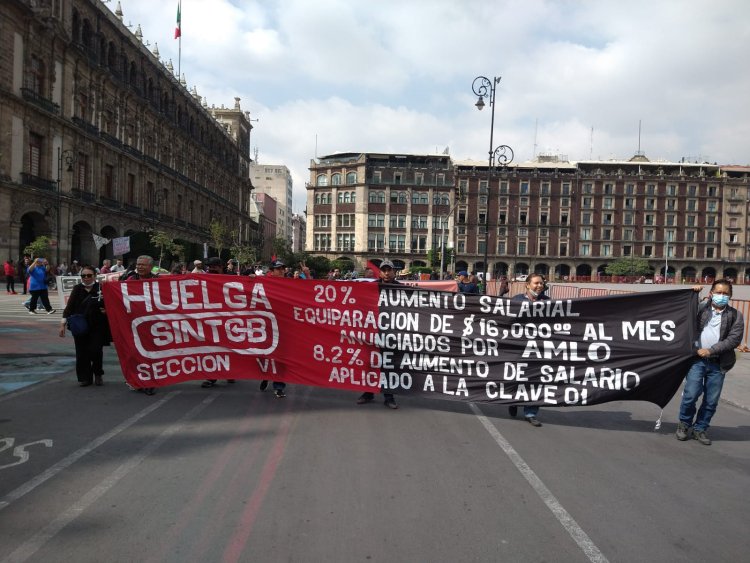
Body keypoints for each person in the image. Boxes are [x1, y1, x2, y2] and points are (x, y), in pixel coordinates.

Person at [676, 280, 744, 445]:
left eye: (725, 293)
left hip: (718, 363)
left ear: (730, 296)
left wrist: (711, 350)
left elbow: (733, 340)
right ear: (711, 293)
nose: (721, 296)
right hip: (697, 361)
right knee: (691, 394)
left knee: (711, 400)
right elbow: (686, 312)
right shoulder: (702, 309)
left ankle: (700, 428)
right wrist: (694, 295)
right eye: (718, 292)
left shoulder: (735, 315)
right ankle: (684, 424)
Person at [357, 260, 399, 409]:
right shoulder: (372, 287)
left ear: (394, 272)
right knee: (371, 364)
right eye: (384, 270)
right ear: (380, 272)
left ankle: (389, 397)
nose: (386, 273)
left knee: (388, 366)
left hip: (392, 334)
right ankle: (368, 393)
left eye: (389, 270)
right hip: (373, 333)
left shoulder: (402, 289)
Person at [59, 265, 111, 387]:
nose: (86, 278)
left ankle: (98, 373)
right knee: (82, 352)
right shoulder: (77, 289)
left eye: (89, 275)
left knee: (96, 350)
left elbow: (111, 304)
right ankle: (85, 378)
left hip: (97, 325)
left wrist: (106, 310)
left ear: (95, 276)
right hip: (80, 326)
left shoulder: (101, 288)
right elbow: (69, 308)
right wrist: (62, 324)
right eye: (83, 276)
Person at [508, 273, 548, 426]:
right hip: (518, 348)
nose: (539, 286)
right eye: (536, 283)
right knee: (515, 378)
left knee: (535, 380)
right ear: (527, 285)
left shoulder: (548, 302)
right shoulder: (517, 300)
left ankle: (531, 413)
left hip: (538, 349)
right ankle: (513, 401)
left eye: (541, 283)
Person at [120, 255, 158, 395]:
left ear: (150, 267)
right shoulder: (130, 280)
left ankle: (149, 381)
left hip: (152, 324)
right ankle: (136, 379)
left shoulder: (157, 281)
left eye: (143, 264)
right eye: (138, 264)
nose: (140, 267)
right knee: (134, 353)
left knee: (151, 354)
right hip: (134, 323)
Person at [201, 257, 236, 388]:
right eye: (209, 267)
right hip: (210, 320)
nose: (211, 269)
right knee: (211, 348)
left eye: (214, 266)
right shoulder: (203, 279)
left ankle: (230, 372)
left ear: (221, 267)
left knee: (229, 348)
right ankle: (211, 377)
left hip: (229, 320)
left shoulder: (233, 278)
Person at [258, 259, 290, 398]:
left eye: (283, 268)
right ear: (272, 271)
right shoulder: (263, 282)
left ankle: (279, 386)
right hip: (267, 325)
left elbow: (308, 291)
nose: (282, 270)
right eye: (278, 268)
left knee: (281, 357)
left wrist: (306, 275)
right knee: (267, 354)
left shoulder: (291, 283)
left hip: (284, 325)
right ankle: (265, 375)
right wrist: (251, 279)